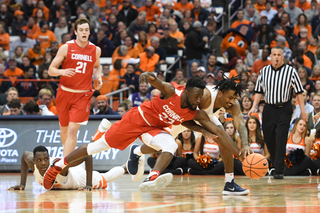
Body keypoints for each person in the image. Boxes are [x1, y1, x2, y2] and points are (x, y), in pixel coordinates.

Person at [43, 75, 242, 193]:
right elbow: (160, 83)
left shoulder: (195, 111)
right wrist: (149, 76)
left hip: (155, 128)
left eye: (200, 97)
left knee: (171, 145)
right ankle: (58, 164)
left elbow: (217, 130)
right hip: (136, 120)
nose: (198, 100)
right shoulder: (172, 93)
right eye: (196, 96)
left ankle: (153, 176)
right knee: (97, 147)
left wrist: (238, 152)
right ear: (187, 92)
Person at [151, 77, 253, 195]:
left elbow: (240, 124)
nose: (232, 101)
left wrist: (245, 144)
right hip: (183, 117)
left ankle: (229, 184)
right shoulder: (205, 97)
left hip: (205, 116)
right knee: (157, 147)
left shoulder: (233, 105)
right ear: (220, 93)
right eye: (230, 97)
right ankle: (137, 153)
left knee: (224, 139)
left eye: (234, 98)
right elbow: (185, 110)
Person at [248, 46, 307, 179]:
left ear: (282, 57)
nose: (276, 57)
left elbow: (299, 92)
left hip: (284, 108)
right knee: (269, 138)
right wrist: (253, 106)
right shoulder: (264, 71)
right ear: (270, 56)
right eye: (274, 54)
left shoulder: (291, 71)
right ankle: (278, 163)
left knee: (281, 137)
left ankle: (278, 169)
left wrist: (302, 111)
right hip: (268, 108)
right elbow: (258, 91)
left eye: (278, 55)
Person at [48, 18, 103, 156]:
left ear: (89, 32)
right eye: (81, 30)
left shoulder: (95, 50)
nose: (84, 32)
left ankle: (65, 164)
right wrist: (62, 71)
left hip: (83, 95)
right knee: (64, 130)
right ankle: (67, 156)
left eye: (86, 30)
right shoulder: (66, 47)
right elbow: (51, 70)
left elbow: (96, 66)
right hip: (64, 93)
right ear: (75, 32)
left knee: (73, 129)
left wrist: (99, 76)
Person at [7, 146, 142, 190]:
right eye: (39, 160)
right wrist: (22, 184)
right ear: (35, 162)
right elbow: (25, 155)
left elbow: (87, 156)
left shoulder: (58, 167)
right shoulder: (32, 163)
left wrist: (89, 184)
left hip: (79, 179)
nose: (43, 163)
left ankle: (126, 166)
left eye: (46, 159)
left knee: (105, 177)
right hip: (72, 172)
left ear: (49, 158)